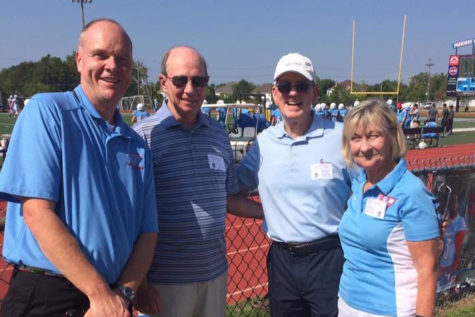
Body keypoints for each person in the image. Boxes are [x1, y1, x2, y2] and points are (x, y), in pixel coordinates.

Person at [0, 19, 158, 317]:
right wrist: (99, 294)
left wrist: (123, 294)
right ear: (79, 59)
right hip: (50, 295)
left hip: (112, 299)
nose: (112, 66)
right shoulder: (47, 113)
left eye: (122, 59)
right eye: (101, 55)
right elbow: (37, 212)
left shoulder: (137, 145)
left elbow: (148, 233)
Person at [132, 46, 263, 317]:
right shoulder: (142, 136)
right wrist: (139, 283)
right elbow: (130, 215)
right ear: (163, 83)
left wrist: (271, 211)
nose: (190, 89)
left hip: (214, 275)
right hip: (163, 282)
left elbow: (228, 198)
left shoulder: (217, 133)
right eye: (180, 80)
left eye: (199, 81)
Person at [237, 53, 355, 317]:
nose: (293, 93)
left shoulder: (340, 136)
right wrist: (266, 211)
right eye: (285, 86)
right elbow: (233, 194)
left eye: (301, 86)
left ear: (314, 93)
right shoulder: (264, 143)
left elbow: (367, 189)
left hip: (330, 257)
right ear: (275, 94)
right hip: (282, 262)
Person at [338, 99, 440, 317]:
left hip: (390, 309)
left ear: (393, 135)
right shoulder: (358, 185)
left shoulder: (411, 192)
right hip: (348, 303)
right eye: (356, 138)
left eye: (373, 136)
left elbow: (427, 269)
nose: (364, 147)